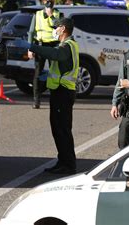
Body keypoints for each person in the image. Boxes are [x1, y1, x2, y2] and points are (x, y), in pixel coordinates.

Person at [27, 17, 79, 175]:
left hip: (62, 92)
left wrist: (32, 47)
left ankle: (68, 164)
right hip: (61, 91)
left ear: (63, 29)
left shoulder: (67, 46)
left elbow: (55, 54)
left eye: (56, 27)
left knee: (61, 129)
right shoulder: (69, 45)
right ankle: (63, 161)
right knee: (59, 129)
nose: (54, 30)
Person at [28, 0, 63, 109]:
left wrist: (51, 15)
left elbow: (59, 28)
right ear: (43, 1)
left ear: (54, 1)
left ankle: (56, 99)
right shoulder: (37, 14)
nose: (49, 2)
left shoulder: (59, 14)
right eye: (47, 1)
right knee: (37, 74)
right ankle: (36, 100)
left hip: (53, 46)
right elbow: (31, 32)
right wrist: (30, 48)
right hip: (40, 45)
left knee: (54, 73)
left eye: (51, 0)